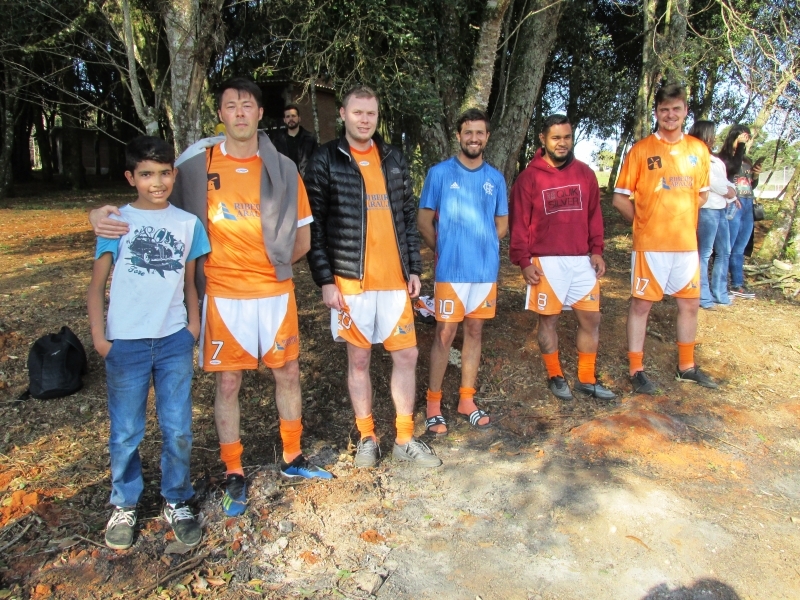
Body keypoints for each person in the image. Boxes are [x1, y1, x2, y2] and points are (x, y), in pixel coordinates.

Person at [89, 78, 332, 520]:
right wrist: (98, 213)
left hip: (274, 293)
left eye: (247, 105)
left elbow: (303, 237)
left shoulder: (282, 167)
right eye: (230, 106)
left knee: (288, 372)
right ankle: (234, 470)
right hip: (222, 294)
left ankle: (293, 456)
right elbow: (152, 197)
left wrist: (273, 264)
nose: (239, 113)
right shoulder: (197, 165)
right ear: (220, 114)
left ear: (260, 113)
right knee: (228, 383)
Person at [305, 84, 441, 468]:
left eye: (371, 114)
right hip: (351, 282)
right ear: (343, 114)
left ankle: (404, 437)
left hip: (394, 281)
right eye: (358, 112)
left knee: (407, 355)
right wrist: (325, 280)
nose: (365, 120)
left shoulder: (393, 158)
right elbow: (314, 226)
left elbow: (407, 219)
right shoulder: (325, 160)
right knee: (360, 359)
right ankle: (367, 436)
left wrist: (414, 268)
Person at [88, 136, 211, 550]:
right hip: (126, 344)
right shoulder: (117, 222)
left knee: (178, 428)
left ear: (174, 174)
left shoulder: (188, 224)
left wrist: (193, 327)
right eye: (146, 174)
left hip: (174, 340)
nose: (156, 182)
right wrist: (100, 340)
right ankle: (124, 503)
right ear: (131, 178)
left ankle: (177, 499)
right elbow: (96, 285)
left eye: (163, 173)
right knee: (126, 431)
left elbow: (191, 282)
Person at [612, 83, 718, 394]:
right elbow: (620, 198)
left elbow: (701, 195)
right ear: (656, 112)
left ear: (685, 111)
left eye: (676, 109)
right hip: (651, 247)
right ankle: (636, 369)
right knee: (641, 305)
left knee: (690, 304)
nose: (670, 115)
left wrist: (679, 216)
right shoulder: (641, 150)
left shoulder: (698, 150)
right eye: (663, 110)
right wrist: (644, 223)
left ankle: (686, 366)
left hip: (686, 245)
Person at [509, 114, 616, 402]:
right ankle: (555, 375)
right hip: (545, 262)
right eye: (556, 137)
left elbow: (594, 215)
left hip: (581, 260)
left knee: (591, 319)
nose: (562, 143)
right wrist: (524, 261)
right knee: (548, 321)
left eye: (567, 137)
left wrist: (597, 250)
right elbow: (519, 224)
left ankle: (586, 379)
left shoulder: (585, 174)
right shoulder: (529, 178)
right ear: (543, 139)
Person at [416, 108, 508, 434]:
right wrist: (444, 248)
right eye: (468, 132)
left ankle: (466, 400)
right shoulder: (439, 173)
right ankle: (433, 404)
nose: (474, 138)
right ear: (458, 135)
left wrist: (482, 244)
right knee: (444, 334)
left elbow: (501, 224)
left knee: (475, 332)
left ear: (487, 137)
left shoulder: (495, 179)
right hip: (451, 272)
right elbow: (424, 222)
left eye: (479, 132)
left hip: (484, 272)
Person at [687, 120, 737, 309]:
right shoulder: (694, 157)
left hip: (721, 209)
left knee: (724, 251)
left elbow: (726, 181)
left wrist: (730, 191)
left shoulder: (715, 160)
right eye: (712, 134)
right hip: (706, 209)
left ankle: (720, 294)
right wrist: (727, 191)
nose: (714, 137)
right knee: (704, 253)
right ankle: (703, 296)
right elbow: (707, 180)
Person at [718, 125, 762, 299]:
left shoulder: (747, 160)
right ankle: (721, 286)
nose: (745, 141)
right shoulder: (724, 158)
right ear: (734, 137)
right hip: (733, 204)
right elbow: (732, 170)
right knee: (726, 247)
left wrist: (755, 175)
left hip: (748, 204)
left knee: (740, 248)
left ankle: (738, 284)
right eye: (742, 138)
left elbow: (751, 185)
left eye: (747, 138)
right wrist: (740, 147)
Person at [271, 103, 319, 178]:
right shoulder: (277, 141)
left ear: (299, 118)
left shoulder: (310, 139)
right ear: (284, 120)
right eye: (288, 116)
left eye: (293, 116)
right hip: (285, 181)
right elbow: (273, 163)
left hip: (305, 181)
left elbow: (317, 162)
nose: (291, 119)